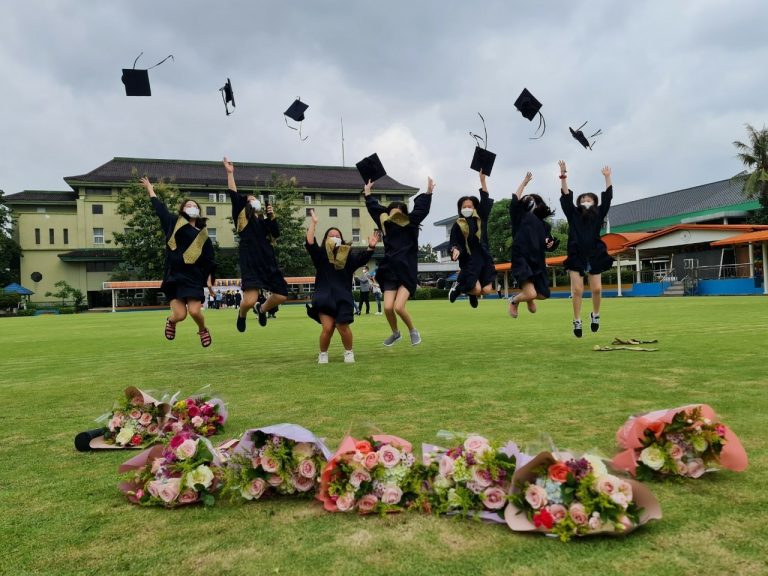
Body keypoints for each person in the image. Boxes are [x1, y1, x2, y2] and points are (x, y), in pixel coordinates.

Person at [140, 177, 215, 347]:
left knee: (194, 311)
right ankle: (171, 321)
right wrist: (150, 190)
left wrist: (210, 281)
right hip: (174, 276)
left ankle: (203, 329)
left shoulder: (203, 236)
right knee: (180, 315)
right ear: (182, 210)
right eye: (188, 205)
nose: (192, 207)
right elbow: (160, 210)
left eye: (194, 206)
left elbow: (209, 260)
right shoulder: (174, 222)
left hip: (193, 277)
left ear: (199, 211)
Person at [364, 176, 434, 346]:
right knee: (388, 307)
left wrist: (428, 193)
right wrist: (367, 193)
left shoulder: (411, 223)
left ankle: (413, 331)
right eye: (392, 213)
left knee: (399, 307)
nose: (395, 216)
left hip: (407, 270)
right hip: (390, 271)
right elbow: (375, 210)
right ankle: (396, 333)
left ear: (404, 214)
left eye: (399, 213)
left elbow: (421, 210)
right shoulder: (385, 224)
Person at [223, 157, 288, 332]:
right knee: (249, 300)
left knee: (281, 295)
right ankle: (242, 313)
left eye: (255, 198)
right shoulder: (241, 214)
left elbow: (276, 233)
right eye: (251, 198)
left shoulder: (263, 221)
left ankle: (262, 309)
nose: (254, 200)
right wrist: (230, 173)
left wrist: (271, 216)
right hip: (250, 259)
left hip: (267, 259)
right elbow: (233, 193)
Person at [305, 209, 378, 363]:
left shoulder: (348, 256)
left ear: (342, 240)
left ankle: (349, 352)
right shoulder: (320, 255)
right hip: (324, 296)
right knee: (327, 328)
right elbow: (310, 242)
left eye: (337, 236)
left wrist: (371, 247)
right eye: (331, 235)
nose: (334, 237)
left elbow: (362, 258)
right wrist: (314, 223)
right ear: (326, 239)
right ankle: (323, 354)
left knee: (342, 326)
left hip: (343, 297)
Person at [559, 161, 614, 337]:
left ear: (594, 202)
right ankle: (577, 320)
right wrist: (563, 175)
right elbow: (566, 196)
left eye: (588, 200)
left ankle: (595, 315)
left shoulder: (598, 214)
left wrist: (607, 177)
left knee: (596, 289)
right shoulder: (573, 214)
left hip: (594, 254)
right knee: (578, 291)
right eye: (582, 200)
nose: (585, 202)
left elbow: (608, 198)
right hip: (576, 255)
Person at [506, 172, 557, 318]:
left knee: (544, 294)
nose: (531, 202)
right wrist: (524, 183)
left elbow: (548, 242)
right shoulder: (518, 216)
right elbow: (515, 199)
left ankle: (528, 297)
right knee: (531, 293)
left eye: (534, 200)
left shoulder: (545, 225)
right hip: (521, 258)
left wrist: (550, 243)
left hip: (538, 262)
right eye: (528, 199)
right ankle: (514, 301)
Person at [448, 169, 496, 308]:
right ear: (460, 209)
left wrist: (483, 180)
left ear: (475, 207)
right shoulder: (458, 224)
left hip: (484, 257)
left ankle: (470, 293)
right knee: (476, 289)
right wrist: (455, 249)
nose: (467, 208)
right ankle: (459, 288)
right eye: (464, 207)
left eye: (470, 206)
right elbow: (454, 242)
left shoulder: (481, 218)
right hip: (469, 259)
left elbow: (485, 201)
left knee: (486, 290)